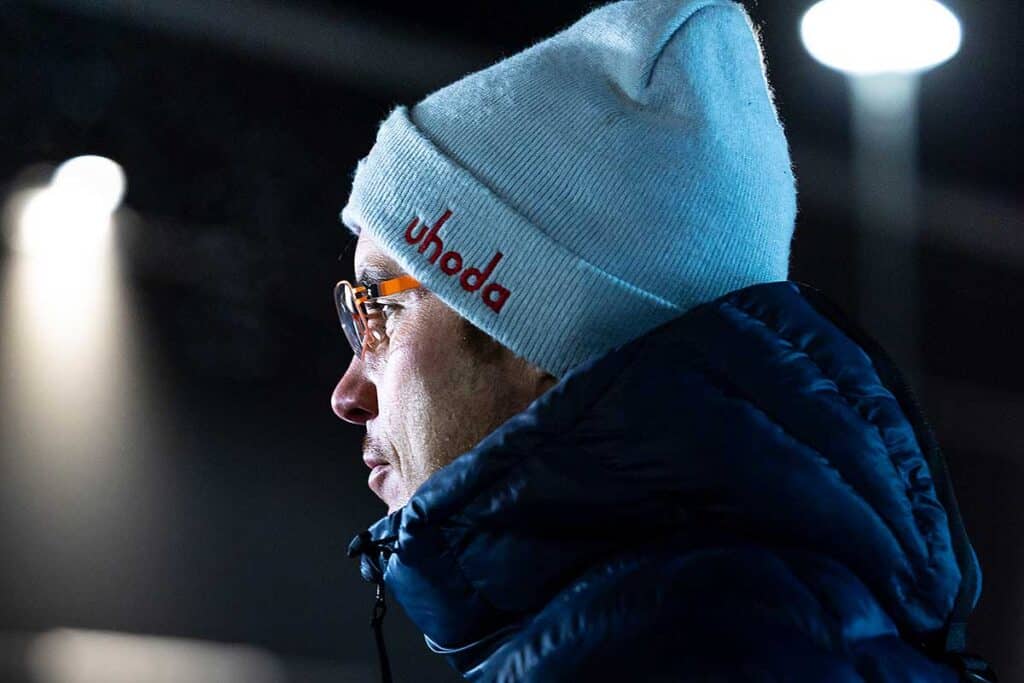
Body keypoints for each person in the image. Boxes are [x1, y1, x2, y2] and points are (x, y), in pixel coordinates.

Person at [332, 0, 994, 680]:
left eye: (380, 310)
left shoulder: (663, 657)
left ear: (537, 340)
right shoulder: (771, 630)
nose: (348, 394)